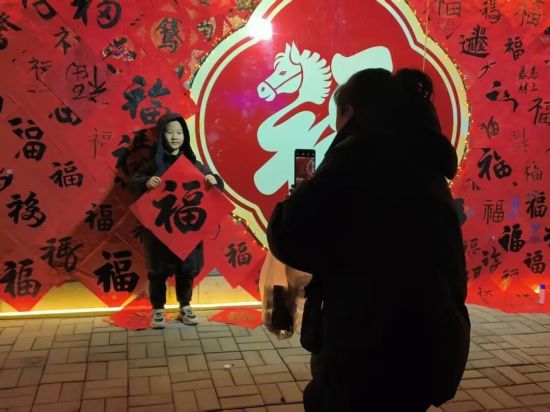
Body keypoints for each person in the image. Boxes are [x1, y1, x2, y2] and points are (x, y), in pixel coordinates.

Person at [267, 68, 470, 411]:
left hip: (365, 350)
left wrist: (302, 193)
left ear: (349, 112)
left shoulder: (357, 155)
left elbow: (288, 234)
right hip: (431, 342)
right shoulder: (425, 162)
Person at [130, 112, 223, 329]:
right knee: (157, 272)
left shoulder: (193, 163)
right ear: (161, 135)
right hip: (160, 230)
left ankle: (185, 306)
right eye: (169, 132)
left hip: (187, 230)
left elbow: (217, 184)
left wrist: (213, 180)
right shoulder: (153, 164)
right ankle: (158, 309)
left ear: (185, 136)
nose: (174, 137)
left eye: (179, 133)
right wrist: (146, 183)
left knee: (186, 270)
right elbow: (134, 181)